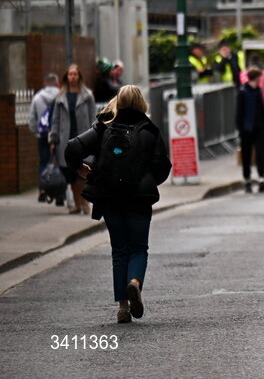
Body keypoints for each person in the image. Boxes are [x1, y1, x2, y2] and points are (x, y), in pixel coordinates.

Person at [64, 85, 171, 324]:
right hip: (138, 199)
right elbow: (162, 167)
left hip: (110, 197)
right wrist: (148, 180)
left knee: (119, 250)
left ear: (118, 101)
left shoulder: (104, 127)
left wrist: (81, 169)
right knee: (138, 249)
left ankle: (123, 307)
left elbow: (72, 148)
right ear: (141, 102)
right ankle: (135, 282)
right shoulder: (149, 130)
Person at [50, 64, 97, 214]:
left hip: (83, 138)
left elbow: (93, 117)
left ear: (79, 77)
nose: (72, 77)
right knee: (70, 174)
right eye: (70, 74)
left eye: (75, 74)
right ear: (66, 77)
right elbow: (55, 120)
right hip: (65, 138)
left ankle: (85, 202)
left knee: (83, 172)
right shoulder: (60, 97)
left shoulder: (87, 95)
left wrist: (95, 135)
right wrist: (53, 138)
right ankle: (76, 204)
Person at [236, 67, 264, 193]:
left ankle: (261, 178)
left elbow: (262, 110)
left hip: (259, 128)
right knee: (246, 155)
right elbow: (239, 113)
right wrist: (240, 129)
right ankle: (247, 179)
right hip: (246, 129)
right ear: (256, 78)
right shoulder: (243, 92)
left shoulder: (258, 91)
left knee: (260, 154)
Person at [28, 73, 60, 203]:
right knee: (59, 162)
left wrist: (37, 132)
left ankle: (42, 189)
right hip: (58, 134)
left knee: (43, 161)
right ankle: (59, 193)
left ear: (45, 84)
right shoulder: (61, 95)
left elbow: (31, 119)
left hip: (43, 134)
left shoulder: (37, 97)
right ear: (56, 83)